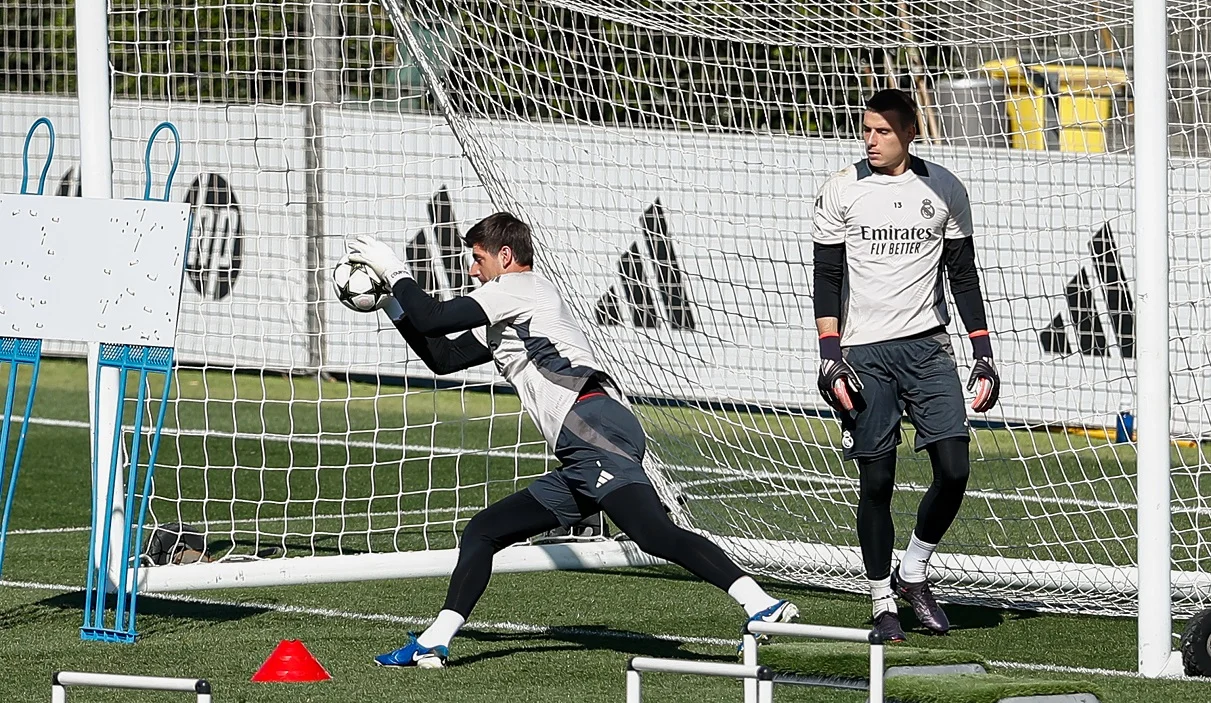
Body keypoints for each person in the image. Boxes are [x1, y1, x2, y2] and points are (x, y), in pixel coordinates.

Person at [349, 212, 798, 668]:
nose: (471, 269)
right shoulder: (510, 310)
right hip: (583, 442)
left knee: (653, 533)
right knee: (483, 532)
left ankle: (762, 603)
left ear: (506, 257)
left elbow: (434, 317)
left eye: (478, 258)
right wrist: (392, 305)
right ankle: (435, 640)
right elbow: (442, 357)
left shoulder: (520, 288)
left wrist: (395, 271)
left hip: (592, 427)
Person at [811, 89, 1000, 642]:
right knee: (878, 479)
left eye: (882, 131)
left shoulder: (944, 188)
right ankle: (880, 599)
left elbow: (963, 277)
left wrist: (983, 352)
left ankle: (913, 571)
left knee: (955, 469)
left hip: (927, 347)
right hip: (865, 353)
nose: (870, 140)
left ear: (910, 132)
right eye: (865, 129)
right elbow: (827, 277)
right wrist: (829, 356)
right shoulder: (841, 190)